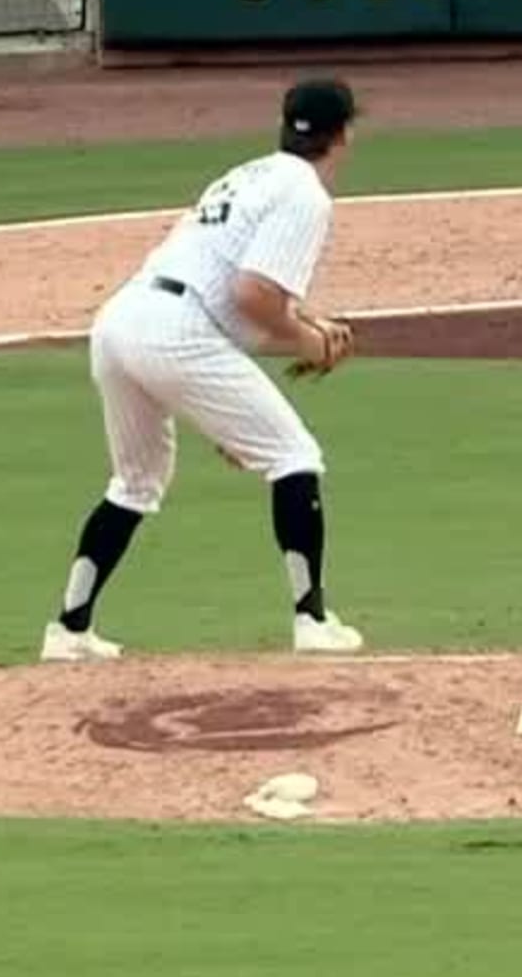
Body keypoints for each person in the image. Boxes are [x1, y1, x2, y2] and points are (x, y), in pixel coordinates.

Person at [40, 77, 370, 661]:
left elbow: (234, 292)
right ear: (344, 134)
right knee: (294, 456)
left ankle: (68, 630)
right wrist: (308, 342)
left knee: (135, 483)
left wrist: (298, 330)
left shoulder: (249, 173)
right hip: (175, 330)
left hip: (121, 320)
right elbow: (252, 297)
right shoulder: (307, 196)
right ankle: (312, 621)